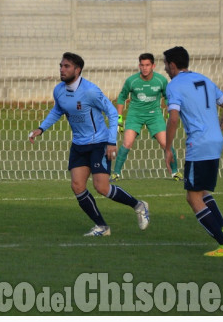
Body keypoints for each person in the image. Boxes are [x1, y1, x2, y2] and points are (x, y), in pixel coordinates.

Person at [28, 52, 150, 237]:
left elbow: (111, 112)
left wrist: (111, 141)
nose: (62, 69)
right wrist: (41, 128)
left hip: (99, 143)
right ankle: (102, 226)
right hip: (78, 144)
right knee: (77, 186)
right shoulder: (59, 90)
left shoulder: (90, 91)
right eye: (61, 65)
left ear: (77, 70)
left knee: (101, 187)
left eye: (66, 66)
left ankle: (139, 205)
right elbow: (57, 110)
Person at [163, 46, 223, 257]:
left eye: (166, 65)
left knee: (193, 198)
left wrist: (168, 149)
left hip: (199, 144)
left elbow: (174, 118)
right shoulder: (205, 79)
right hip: (215, 142)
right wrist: (216, 129)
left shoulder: (174, 85)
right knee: (203, 191)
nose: (166, 69)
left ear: (173, 65)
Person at [111, 53, 183, 182]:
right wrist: (119, 118)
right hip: (135, 114)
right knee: (127, 143)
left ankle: (175, 172)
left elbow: (167, 97)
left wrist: (169, 111)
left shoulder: (161, 80)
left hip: (154, 115)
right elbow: (122, 97)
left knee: (166, 143)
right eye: (142, 65)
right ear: (139, 66)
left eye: (147, 65)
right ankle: (115, 173)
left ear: (153, 66)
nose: (144, 68)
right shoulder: (131, 81)